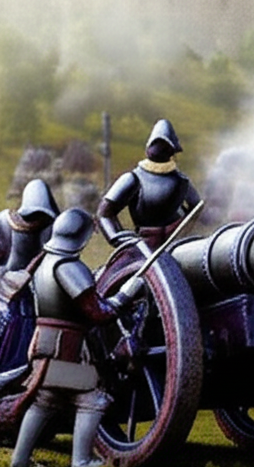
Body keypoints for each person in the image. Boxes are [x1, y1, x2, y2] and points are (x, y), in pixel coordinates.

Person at [9, 207, 144, 467]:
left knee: (44, 401)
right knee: (94, 400)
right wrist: (125, 295)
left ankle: (20, 460)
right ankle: (81, 461)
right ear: (80, 237)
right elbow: (98, 313)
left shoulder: (42, 263)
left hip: (43, 344)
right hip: (67, 348)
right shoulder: (69, 267)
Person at [96, 118, 202, 250]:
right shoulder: (133, 178)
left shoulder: (181, 181)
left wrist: (182, 230)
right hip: (144, 245)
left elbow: (197, 208)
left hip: (177, 245)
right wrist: (118, 239)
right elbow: (105, 212)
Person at [0, 179, 60, 376]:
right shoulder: (4, 221)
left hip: (33, 292)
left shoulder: (49, 228)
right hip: (6, 287)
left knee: (24, 328)